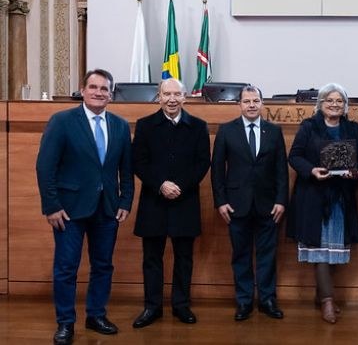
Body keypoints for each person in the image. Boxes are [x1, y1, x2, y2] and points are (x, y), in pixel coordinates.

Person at [35, 69, 134, 345]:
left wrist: (125, 200)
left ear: (111, 95)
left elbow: (126, 170)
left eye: (104, 89)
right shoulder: (62, 121)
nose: (99, 92)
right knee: (66, 267)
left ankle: (96, 315)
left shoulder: (120, 125)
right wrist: (51, 206)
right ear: (83, 89)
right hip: (69, 210)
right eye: (93, 87)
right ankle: (65, 323)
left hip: (107, 210)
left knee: (103, 266)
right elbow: (45, 167)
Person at [131, 79, 211, 328]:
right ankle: (152, 307)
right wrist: (161, 185)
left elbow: (202, 163)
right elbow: (138, 162)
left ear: (185, 97)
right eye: (167, 94)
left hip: (184, 201)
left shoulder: (198, 126)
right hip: (153, 201)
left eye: (177, 94)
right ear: (159, 97)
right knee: (152, 258)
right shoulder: (145, 126)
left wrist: (180, 186)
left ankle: (181, 305)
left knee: (184, 257)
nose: (172, 99)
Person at [211, 85, 289, 321]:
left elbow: (281, 171)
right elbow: (216, 171)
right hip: (236, 205)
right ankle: (244, 302)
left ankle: (267, 300)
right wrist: (221, 202)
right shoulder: (226, 131)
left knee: (267, 255)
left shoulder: (274, 132)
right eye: (247, 101)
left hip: (268, 206)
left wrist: (281, 200)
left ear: (262, 103)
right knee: (241, 255)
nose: (252, 105)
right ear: (240, 105)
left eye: (256, 101)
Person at [286, 83, 358, 324]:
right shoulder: (309, 126)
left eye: (339, 101)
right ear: (320, 104)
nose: (334, 105)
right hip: (313, 197)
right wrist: (311, 170)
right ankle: (328, 302)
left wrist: (355, 172)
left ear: (345, 105)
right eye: (329, 100)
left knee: (333, 250)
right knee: (320, 250)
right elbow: (295, 156)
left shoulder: (352, 128)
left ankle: (321, 296)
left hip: (340, 197)